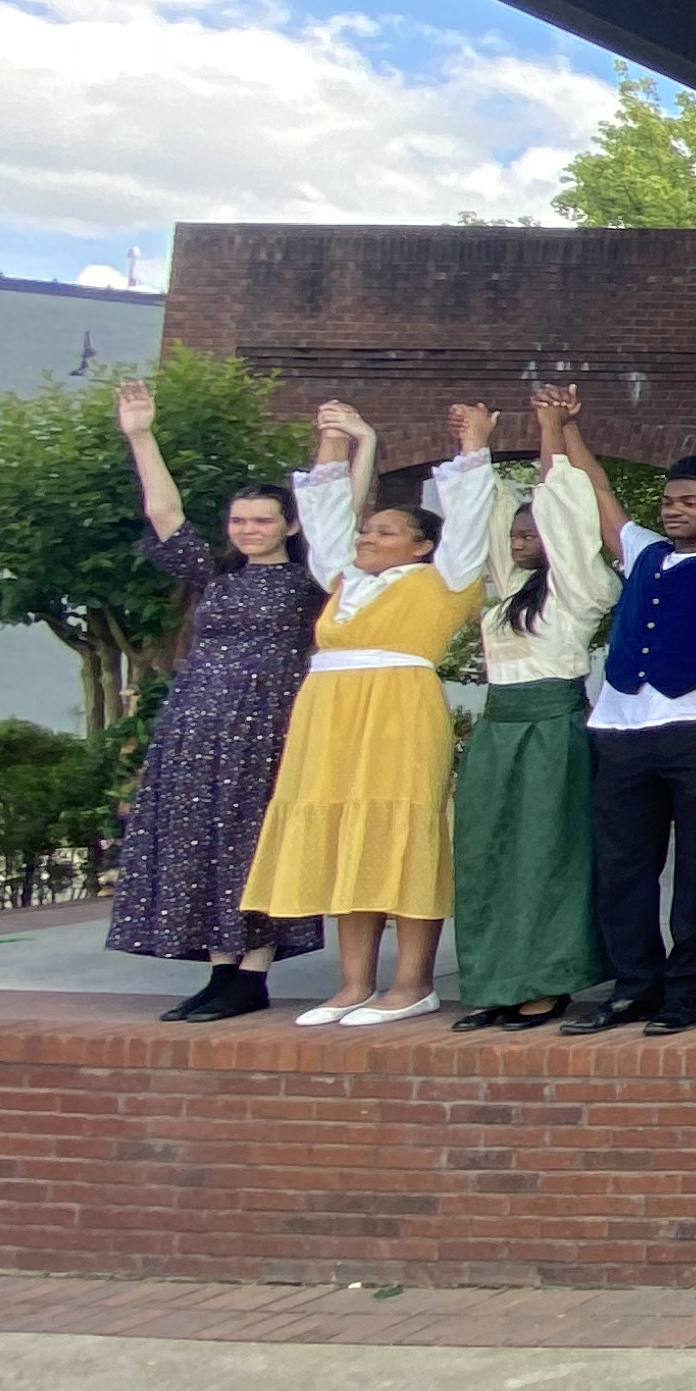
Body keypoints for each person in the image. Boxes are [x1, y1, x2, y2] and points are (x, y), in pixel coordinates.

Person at [243, 397, 495, 1025]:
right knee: (345, 839)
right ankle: (353, 984)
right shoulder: (342, 581)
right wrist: (332, 441)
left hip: (398, 712)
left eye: (385, 532)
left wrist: (474, 447)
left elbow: (467, 517)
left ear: (420, 547)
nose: (368, 538)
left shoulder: (445, 578)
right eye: (367, 530)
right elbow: (326, 514)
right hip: (327, 715)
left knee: (402, 835)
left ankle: (411, 983)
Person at [109, 374, 322, 1020]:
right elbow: (164, 517)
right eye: (238, 521)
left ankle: (253, 973)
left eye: (261, 520)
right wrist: (141, 437)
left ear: (288, 524)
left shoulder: (313, 578)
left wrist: (344, 445)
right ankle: (220, 968)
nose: (248, 529)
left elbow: (342, 505)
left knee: (251, 840)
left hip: (268, 728)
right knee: (201, 841)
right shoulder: (214, 575)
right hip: (195, 727)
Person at [564, 435, 696, 1037]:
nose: (673, 509)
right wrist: (565, 430)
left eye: (688, 501)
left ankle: (686, 993)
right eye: (668, 501)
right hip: (620, 728)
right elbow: (599, 489)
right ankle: (634, 986)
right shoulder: (642, 551)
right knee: (622, 867)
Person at [450, 386, 620, 1031]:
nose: (521, 538)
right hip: (499, 729)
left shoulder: (581, 587)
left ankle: (546, 984)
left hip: (554, 728)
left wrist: (552, 431)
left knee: (548, 855)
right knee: (488, 853)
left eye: (532, 530)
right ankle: (496, 981)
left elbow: (568, 511)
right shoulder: (509, 590)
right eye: (517, 531)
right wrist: (475, 445)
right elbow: (483, 515)